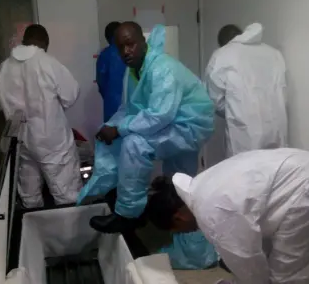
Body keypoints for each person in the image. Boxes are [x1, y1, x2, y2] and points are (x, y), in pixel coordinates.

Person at [77, 22, 215, 233]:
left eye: (130, 44)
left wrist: (119, 129)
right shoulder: (135, 71)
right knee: (181, 187)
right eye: (120, 47)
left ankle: (129, 215)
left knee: (135, 144)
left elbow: (160, 115)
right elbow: (131, 107)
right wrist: (112, 125)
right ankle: (191, 252)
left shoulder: (162, 69)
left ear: (143, 42)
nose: (126, 52)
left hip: (188, 126)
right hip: (177, 123)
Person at [146, 148, 309, 284]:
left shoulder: (212, 213)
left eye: (178, 230)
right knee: (294, 271)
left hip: (305, 189)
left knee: (293, 278)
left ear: (179, 217)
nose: (187, 232)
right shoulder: (203, 184)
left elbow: (248, 264)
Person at [0, 24, 82, 208]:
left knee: (30, 196)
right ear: (45, 43)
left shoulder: (5, 67)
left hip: (22, 139)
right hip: (52, 141)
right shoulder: (47, 62)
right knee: (66, 194)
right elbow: (71, 95)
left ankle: (34, 232)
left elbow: (5, 99)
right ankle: (68, 233)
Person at [205, 23, 287, 157]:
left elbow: (216, 101)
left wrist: (237, 110)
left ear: (223, 43)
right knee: (275, 171)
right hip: (276, 130)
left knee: (245, 173)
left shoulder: (221, 56)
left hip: (244, 135)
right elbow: (282, 91)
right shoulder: (274, 54)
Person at [96, 21, 126, 122]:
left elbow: (101, 82)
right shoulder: (132, 52)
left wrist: (109, 96)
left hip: (112, 106)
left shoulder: (104, 55)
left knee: (112, 133)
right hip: (133, 106)